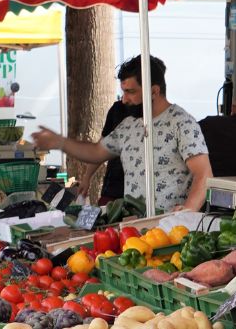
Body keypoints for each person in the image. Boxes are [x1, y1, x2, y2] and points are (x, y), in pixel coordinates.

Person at [33, 55, 212, 212]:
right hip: (134, 228)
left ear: (154, 91)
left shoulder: (182, 122)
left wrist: (187, 211)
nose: (124, 99)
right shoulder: (128, 125)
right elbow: (96, 152)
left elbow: (204, 174)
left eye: (130, 92)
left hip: (171, 229)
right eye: (123, 92)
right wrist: (61, 142)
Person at [77, 100, 130, 205]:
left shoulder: (152, 110)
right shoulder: (117, 108)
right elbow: (101, 147)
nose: (125, 97)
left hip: (142, 195)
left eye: (130, 91)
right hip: (112, 188)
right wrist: (87, 177)